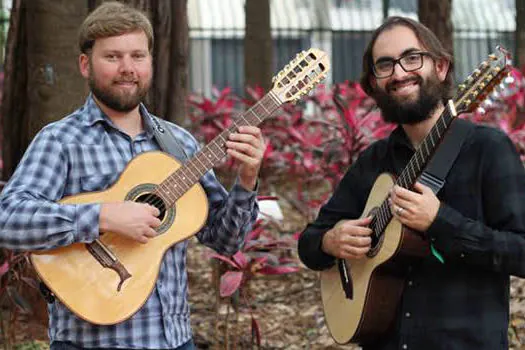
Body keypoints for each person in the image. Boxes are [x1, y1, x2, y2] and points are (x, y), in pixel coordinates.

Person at [0, 2, 264, 349]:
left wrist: (247, 180)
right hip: (88, 343)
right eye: (113, 57)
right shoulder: (61, 140)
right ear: (85, 64)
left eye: (138, 56)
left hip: (174, 340)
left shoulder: (179, 143)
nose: (128, 68)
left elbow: (226, 241)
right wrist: (102, 216)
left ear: (150, 62)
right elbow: (8, 219)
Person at [298, 16, 525, 350]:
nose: (399, 73)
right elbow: (309, 243)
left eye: (411, 58)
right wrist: (331, 241)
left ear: (442, 67)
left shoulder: (488, 151)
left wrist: (441, 222)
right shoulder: (374, 161)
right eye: (385, 65)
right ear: (374, 84)